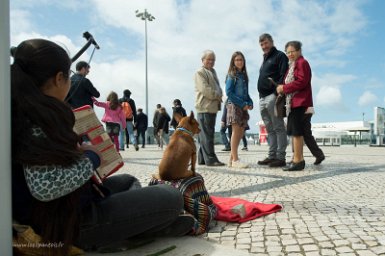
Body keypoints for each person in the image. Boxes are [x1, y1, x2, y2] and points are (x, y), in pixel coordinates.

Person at [11, 39, 194, 256]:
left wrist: (76, 152)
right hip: (69, 224)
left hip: (69, 207)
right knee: (171, 196)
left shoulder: (26, 109)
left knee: (127, 181)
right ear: (59, 78)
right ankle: (138, 225)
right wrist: (91, 158)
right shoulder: (38, 117)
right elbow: (45, 187)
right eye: (68, 75)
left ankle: (137, 221)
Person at [276, 40, 313, 171]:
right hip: (293, 102)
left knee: (296, 131)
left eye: (292, 51)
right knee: (293, 131)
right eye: (288, 52)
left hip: (299, 102)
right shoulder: (292, 65)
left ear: (299, 51)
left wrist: (284, 88)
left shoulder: (302, 63)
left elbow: (302, 81)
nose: (290, 54)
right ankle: (296, 157)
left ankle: (298, 160)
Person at [257, 33, 288, 168]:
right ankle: (272, 156)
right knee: (270, 129)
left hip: (272, 96)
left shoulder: (280, 56)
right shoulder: (265, 58)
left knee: (278, 127)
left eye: (266, 43)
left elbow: (283, 75)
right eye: (262, 44)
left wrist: (277, 93)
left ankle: (280, 157)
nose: (264, 46)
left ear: (272, 42)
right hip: (262, 98)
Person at [194, 50, 225, 166]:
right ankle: (211, 159)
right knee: (207, 134)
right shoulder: (200, 72)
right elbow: (205, 89)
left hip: (212, 107)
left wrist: (220, 94)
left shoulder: (213, 71)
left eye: (213, 60)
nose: (211, 62)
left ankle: (202, 158)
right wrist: (218, 95)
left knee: (206, 133)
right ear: (203, 60)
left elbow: (216, 86)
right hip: (204, 107)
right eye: (209, 59)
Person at [225, 51, 253, 168]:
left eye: (241, 60)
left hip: (243, 107)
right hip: (234, 106)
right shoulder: (232, 75)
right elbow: (229, 92)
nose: (239, 62)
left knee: (241, 132)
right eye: (236, 60)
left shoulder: (244, 76)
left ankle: (231, 159)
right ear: (233, 62)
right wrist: (242, 104)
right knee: (236, 132)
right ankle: (235, 160)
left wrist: (250, 102)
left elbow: (246, 94)